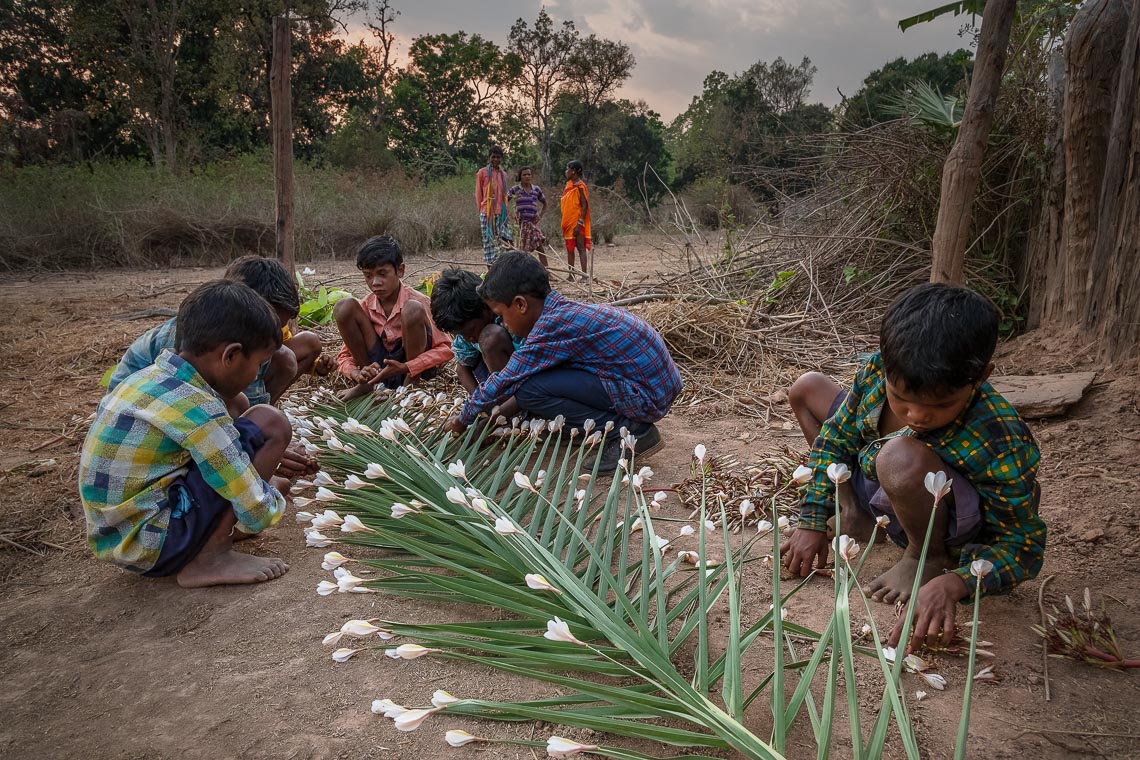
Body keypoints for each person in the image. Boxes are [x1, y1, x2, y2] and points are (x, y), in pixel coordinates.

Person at [783, 283, 1044, 652]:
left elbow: (1023, 546)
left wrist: (957, 582)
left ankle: (926, 555)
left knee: (899, 455)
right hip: (878, 478)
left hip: (939, 514)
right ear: (885, 364)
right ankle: (854, 512)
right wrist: (812, 517)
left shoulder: (999, 435)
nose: (917, 415)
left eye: (941, 405)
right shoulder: (876, 371)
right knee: (807, 388)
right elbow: (835, 438)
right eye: (901, 398)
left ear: (981, 376)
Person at [79, 280, 317, 587]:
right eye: (259, 364)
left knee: (242, 428)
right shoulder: (199, 408)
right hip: (155, 545)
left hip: (118, 539)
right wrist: (268, 498)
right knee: (270, 423)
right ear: (230, 356)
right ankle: (210, 558)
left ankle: (207, 539)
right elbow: (256, 510)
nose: (256, 375)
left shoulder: (148, 378)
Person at [444, 252, 682, 472]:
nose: (504, 324)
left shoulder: (549, 328)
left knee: (528, 390)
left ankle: (634, 432)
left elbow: (506, 380)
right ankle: (615, 427)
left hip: (646, 395)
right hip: (652, 385)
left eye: (503, 315)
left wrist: (462, 419)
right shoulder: (560, 312)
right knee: (539, 382)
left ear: (520, 304)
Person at [107, 255, 333, 418]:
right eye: (269, 320)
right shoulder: (186, 340)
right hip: (146, 411)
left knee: (272, 372)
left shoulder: (240, 335)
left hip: (191, 400)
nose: (274, 333)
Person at [333, 235, 453, 400]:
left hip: (411, 368)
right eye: (368, 276)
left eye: (382, 274)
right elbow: (344, 356)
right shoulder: (365, 306)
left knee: (412, 309)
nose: (375, 282)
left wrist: (408, 366)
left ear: (400, 270)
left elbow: (446, 349)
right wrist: (356, 372)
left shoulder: (419, 301)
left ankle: (410, 385)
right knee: (343, 307)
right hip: (378, 368)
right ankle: (368, 383)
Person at [429, 268, 523, 409]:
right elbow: (462, 369)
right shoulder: (466, 332)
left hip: (522, 380)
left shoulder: (509, 319)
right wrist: (479, 404)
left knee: (490, 338)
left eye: (471, 330)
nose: (469, 338)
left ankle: (509, 405)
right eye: (460, 334)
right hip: (494, 381)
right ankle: (500, 404)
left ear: (485, 308)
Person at [475, 145, 511, 266]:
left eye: (498, 157)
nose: (496, 160)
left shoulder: (503, 175)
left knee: (505, 242)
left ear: (501, 158)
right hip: (487, 213)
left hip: (501, 213)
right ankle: (491, 270)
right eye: (493, 157)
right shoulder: (482, 173)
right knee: (489, 242)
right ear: (489, 158)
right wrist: (482, 211)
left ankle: (501, 268)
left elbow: (504, 195)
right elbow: (478, 193)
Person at [508, 166, 549, 268]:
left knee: (539, 246)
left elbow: (545, 203)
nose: (527, 177)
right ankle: (521, 271)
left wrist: (539, 215)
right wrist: (510, 215)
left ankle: (547, 271)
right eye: (524, 175)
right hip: (520, 225)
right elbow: (505, 201)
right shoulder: (515, 189)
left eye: (529, 174)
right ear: (520, 177)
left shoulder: (536, 189)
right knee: (521, 250)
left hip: (532, 224)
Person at [560, 159, 591, 279]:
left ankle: (584, 275)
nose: (565, 171)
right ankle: (571, 275)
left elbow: (584, 205)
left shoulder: (580, 186)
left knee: (580, 247)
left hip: (577, 222)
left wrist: (579, 223)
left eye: (567, 169)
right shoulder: (569, 185)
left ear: (573, 171)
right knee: (569, 249)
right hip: (567, 222)